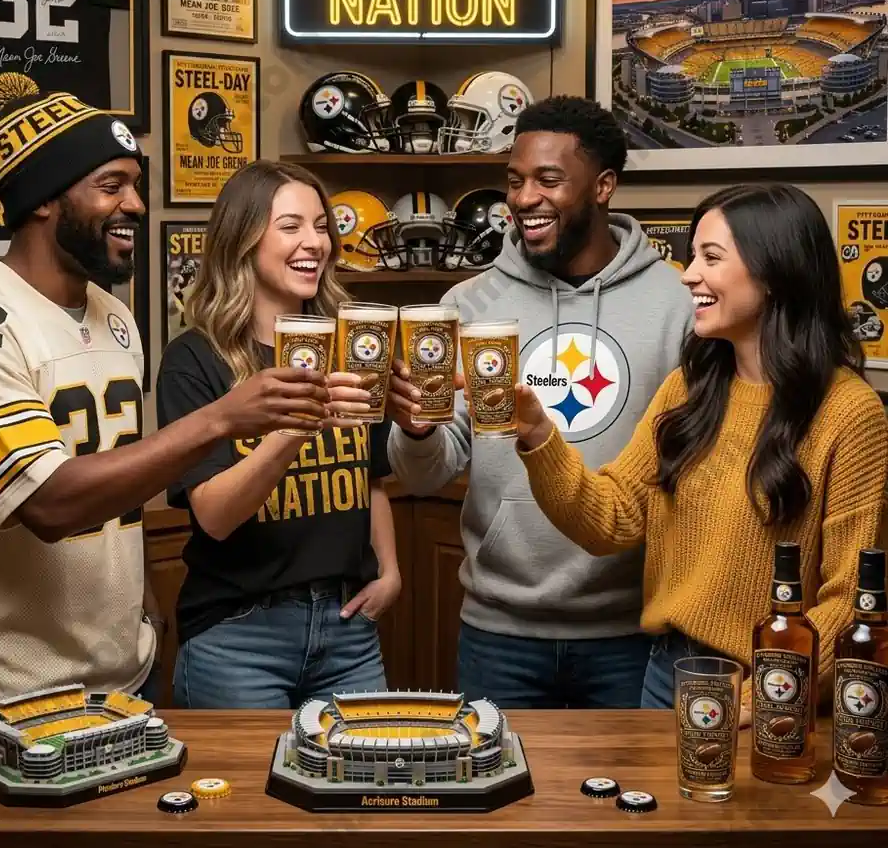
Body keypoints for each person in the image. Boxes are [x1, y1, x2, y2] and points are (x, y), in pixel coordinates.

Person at [0, 75, 332, 712]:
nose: (135, 204)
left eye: (136, 185)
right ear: (45, 200)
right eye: (111, 186)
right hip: (8, 689)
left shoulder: (114, 315)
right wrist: (219, 420)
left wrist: (146, 617)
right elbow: (48, 503)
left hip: (120, 675)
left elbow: (122, 490)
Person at [514, 182, 888, 718]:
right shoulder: (688, 389)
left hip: (773, 690)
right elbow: (610, 518)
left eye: (711, 257)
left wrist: (765, 694)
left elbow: (851, 598)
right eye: (693, 256)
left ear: (776, 274)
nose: (688, 274)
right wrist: (536, 434)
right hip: (667, 672)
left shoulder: (850, 414)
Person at [387, 95, 692, 708]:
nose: (524, 198)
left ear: (603, 186)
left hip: (631, 629)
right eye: (515, 180)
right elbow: (430, 470)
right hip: (499, 630)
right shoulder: (465, 304)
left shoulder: (677, 303)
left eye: (548, 180)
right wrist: (418, 432)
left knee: (626, 803)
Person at [156, 159, 400, 709]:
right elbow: (215, 517)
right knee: (244, 797)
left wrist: (390, 571)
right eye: (290, 227)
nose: (313, 242)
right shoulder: (194, 359)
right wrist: (294, 428)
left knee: (364, 786)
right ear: (242, 240)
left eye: (321, 226)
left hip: (348, 630)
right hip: (239, 635)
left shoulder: (355, 342)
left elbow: (373, 477)